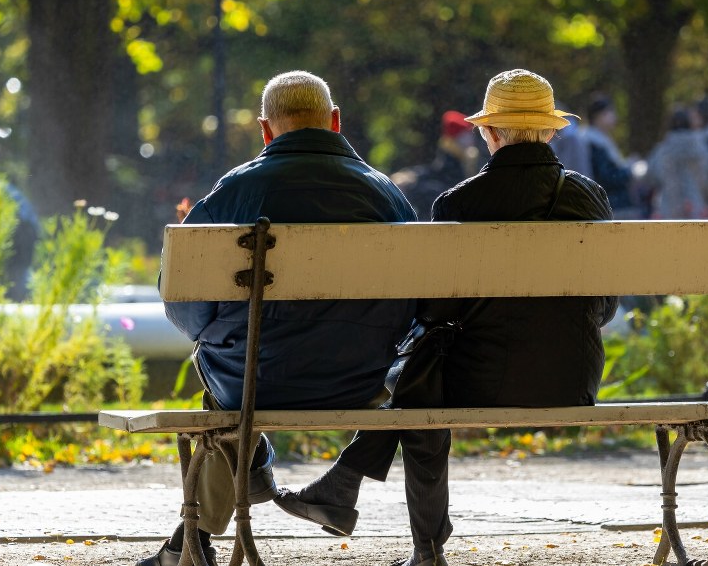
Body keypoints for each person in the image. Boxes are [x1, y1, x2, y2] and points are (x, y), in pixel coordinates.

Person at [274, 69, 617, 566]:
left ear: (488, 132)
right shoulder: (589, 198)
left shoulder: (458, 203)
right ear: (551, 131)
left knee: (421, 378)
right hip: (571, 380)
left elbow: (434, 312)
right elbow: (605, 307)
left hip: (478, 385)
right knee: (423, 374)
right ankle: (339, 487)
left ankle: (420, 542)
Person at [140, 71, 418, 566]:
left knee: (224, 388)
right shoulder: (384, 194)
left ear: (266, 130)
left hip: (252, 383)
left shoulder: (234, 192)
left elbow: (183, 304)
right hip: (358, 382)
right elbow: (417, 305)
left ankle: (204, 529)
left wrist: (215, 336)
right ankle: (243, 485)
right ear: (335, 122)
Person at [391, 110, 479, 219]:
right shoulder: (453, 162)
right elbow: (441, 173)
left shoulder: (461, 158)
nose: (470, 139)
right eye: (466, 135)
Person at [644, 106, 708, 219]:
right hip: (698, 211)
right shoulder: (703, 149)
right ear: (689, 124)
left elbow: (649, 178)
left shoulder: (661, 150)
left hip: (668, 212)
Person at [582, 95, 642, 218]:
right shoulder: (594, 143)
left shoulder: (599, 140)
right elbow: (606, 177)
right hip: (611, 206)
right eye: (610, 112)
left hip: (610, 204)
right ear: (598, 116)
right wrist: (629, 171)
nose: (614, 116)